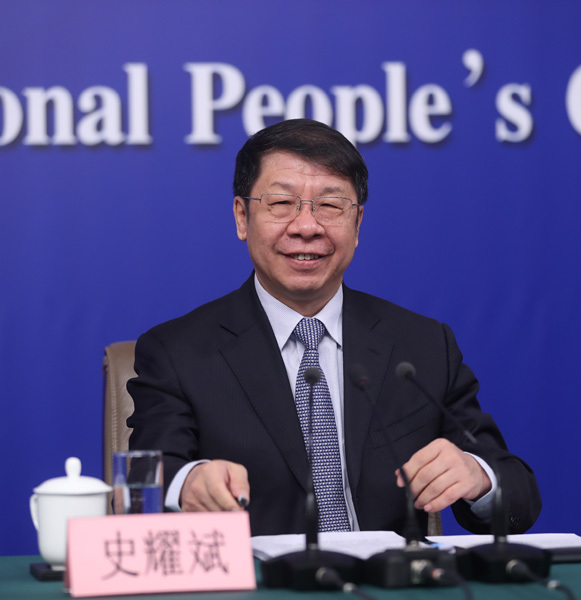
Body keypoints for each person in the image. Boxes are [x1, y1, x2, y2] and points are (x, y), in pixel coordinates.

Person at [127, 119, 541, 537]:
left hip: (387, 575)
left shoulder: (422, 345)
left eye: (330, 205)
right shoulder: (176, 351)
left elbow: (519, 494)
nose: (307, 227)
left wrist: (478, 476)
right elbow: (143, 479)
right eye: (281, 203)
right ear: (242, 216)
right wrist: (187, 484)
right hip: (255, 575)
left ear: (357, 223)